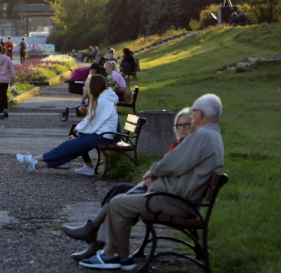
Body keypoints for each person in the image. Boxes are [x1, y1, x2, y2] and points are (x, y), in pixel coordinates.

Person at [78, 94, 224, 271]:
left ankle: (115, 256)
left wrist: (153, 171)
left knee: (118, 203)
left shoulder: (202, 136)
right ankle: (119, 257)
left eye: (193, 111)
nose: (191, 115)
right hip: (183, 199)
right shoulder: (211, 136)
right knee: (120, 199)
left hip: (177, 202)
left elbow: (172, 163)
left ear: (200, 115)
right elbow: (179, 165)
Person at [63, 108, 192, 261]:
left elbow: (168, 171)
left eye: (187, 125)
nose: (182, 128)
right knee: (119, 189)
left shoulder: (189, 147)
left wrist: (154, 174)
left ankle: (96, 238)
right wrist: (154, 175)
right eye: (179, 125)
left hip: (164, 196)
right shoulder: (180, 145)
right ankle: (94, 231)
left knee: (117, 202)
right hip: (159, 190)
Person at [16, 75, 119, 172]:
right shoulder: (100, 99)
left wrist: (77, 133)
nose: (83, 87)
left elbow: (92, 123)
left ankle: (33, 159)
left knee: (69, 145)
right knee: (72, 146)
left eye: (86, 85)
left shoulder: (102, 100)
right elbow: (92, 121)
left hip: (103, 137)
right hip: (100, 134)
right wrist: (77, 133)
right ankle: (37, 164)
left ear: (93, 86)